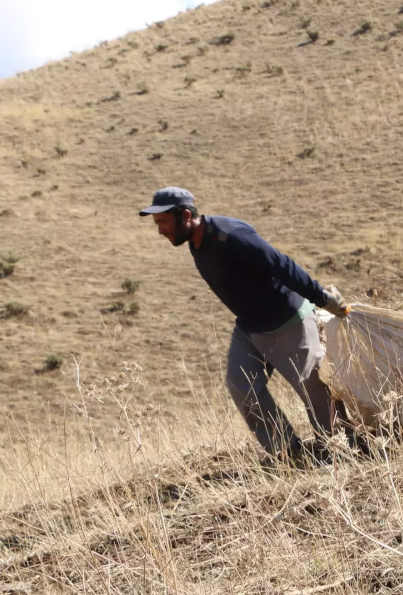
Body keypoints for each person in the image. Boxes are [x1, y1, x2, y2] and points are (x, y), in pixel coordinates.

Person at [139, 186, 361, 465]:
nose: (160, 231)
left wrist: (322, 298)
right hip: (250, 327)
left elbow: (282, 265)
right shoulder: (194, 242)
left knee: (314, 390)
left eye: (163, 222)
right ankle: (288, 454)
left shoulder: (230, 235)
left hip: (287, 320)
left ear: (185, 215)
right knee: (241, 384)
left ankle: (343, 447)